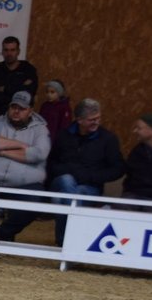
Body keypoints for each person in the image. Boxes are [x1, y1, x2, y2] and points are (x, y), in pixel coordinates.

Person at [44, 98, 125, 244]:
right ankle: (72, 240)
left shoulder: (108, 139)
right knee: (67, 181)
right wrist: (69, 170)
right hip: (60, 182)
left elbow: (118, 169)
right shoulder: (63, 135)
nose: (96, 122)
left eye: (98, 118)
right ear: (79, 120)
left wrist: (91, 176)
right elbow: (51, 163)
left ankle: (63, 241)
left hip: (90, 187)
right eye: (91, 120)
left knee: (65, 199)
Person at [0, 90, 51, 243]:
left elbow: (39, 154)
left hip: (25, 184)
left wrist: (3, 152)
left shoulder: (41, 129)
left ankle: (2, 234)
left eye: (22, 108)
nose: (16, 111)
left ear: (30, 111)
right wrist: (22, 145)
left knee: (35, 204)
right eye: (14, 107)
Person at [0, 35, 38, 115]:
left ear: (18, 51)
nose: (9, 53)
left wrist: (5, 89)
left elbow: (28, 94)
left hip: (22, 116)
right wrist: (19, 88)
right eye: (6, 50)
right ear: (2, 52)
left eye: (12, 50)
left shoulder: (28, 70)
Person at [38, 79, 73, 148]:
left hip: (55, 142)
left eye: (52, 92)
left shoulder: (64, 108)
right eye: (47, 92)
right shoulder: (45, 105)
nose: (49, 95)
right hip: (42, 139)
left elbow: (64, 127)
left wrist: (58, 143)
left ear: (59, 93)